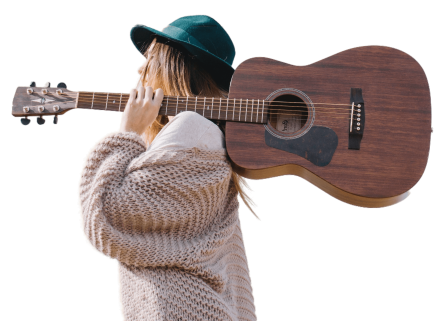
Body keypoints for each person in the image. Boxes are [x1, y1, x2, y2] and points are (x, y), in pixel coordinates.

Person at [77, 15, 259, 320]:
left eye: (149, 58)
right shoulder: (207, 138)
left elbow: (106, 212)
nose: (139, 68)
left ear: (172, 65)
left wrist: (129, 133)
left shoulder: (191, 128)